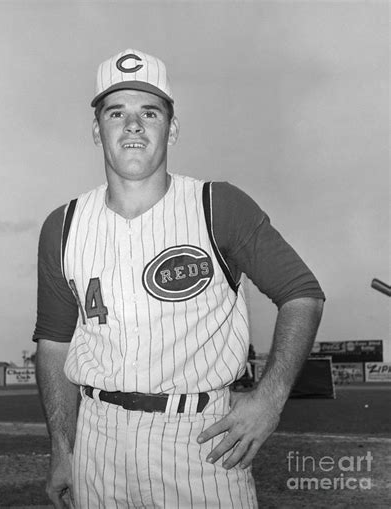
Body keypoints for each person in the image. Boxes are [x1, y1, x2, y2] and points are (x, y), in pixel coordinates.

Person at [33, 49, 325, 509]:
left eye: (149, 112)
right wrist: (62, 448)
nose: (133, 125)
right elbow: (54, 345)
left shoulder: (218, 206)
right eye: (117, 112)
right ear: (97, 130)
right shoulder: (63, 225)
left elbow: (302, 294)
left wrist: (270, 399)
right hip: (97, 440)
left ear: (172, 128)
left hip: (199, 441)